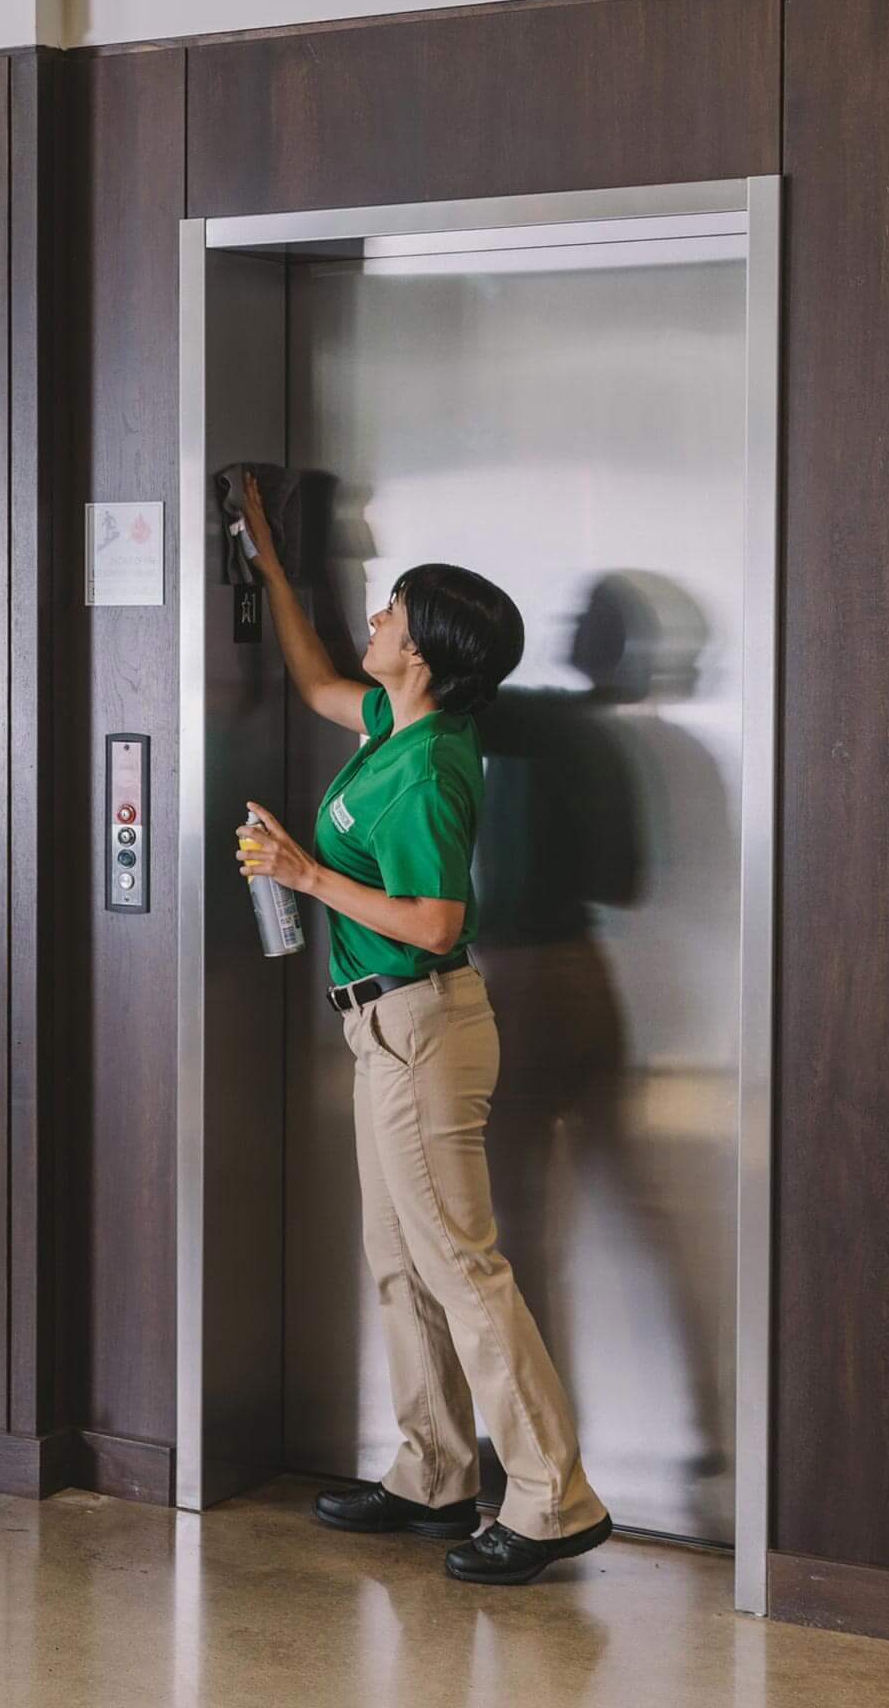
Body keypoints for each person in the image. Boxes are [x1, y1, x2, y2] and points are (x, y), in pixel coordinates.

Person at [234, 472, 612, 1586]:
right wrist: (267, 560)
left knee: (459, 1262)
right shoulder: (398, 715)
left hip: (425, 1028)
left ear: (430, 649)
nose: (379, 617)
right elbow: (312, 682)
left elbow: (435, 919)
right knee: (397, 1261)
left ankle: (554, 1496)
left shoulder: (435, 765)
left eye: (394, 609)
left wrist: (307, 874)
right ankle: (435, 1468)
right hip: (381, 1031)